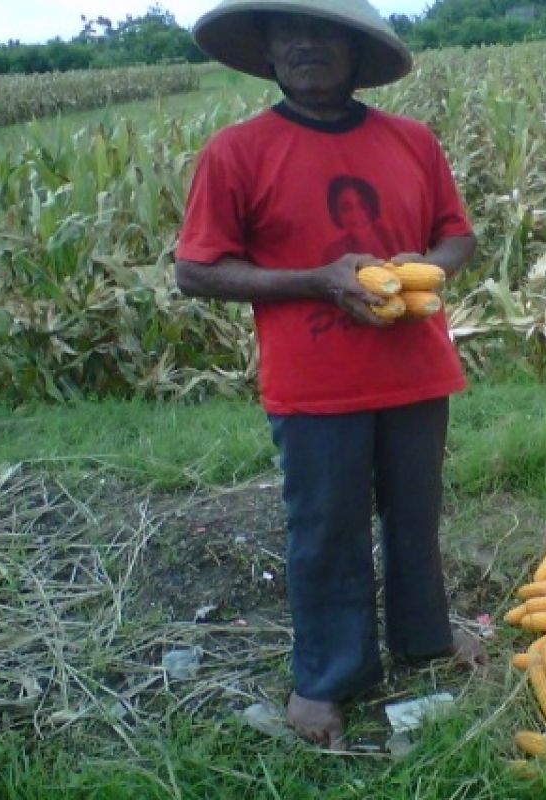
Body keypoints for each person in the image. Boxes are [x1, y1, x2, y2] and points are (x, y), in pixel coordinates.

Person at [174, 0, 486, 748]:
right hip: (314, 382)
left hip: (415, 367)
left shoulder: (411, 141)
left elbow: (457, 236)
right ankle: (328, 679)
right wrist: (320, 280)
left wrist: (422, 272)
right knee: (326, 530)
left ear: (355, 52)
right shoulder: (238, 151)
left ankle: (426, 639)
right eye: (290, 32)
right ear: (270, 51)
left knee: (415, 516)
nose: (307, 44)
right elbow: (196, 271)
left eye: (324, 33)